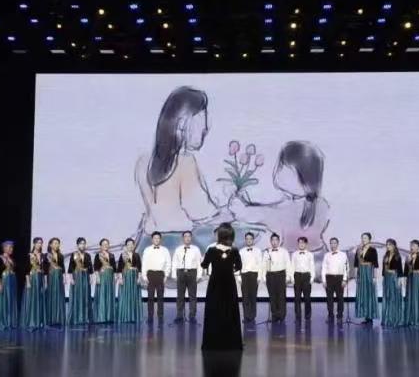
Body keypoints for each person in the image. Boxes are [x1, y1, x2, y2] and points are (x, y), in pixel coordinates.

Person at [135, 86, 233, 253]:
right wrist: (228, 212)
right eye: (202, 121)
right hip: (176, 245)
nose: (206, 128)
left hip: (147, 244)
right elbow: (200, 211)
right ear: (182, 124)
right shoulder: (185, 162)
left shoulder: (143, 162)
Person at [230, 141, 330, 258]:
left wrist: (239, 207)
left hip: (292, 260)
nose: (277, 171)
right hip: (320, 256)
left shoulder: (285, 210)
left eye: (281, 167)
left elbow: (255, 214)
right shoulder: (322, 205)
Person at [201, 223, 243, 350]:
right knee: (230, 310)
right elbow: (239, 266)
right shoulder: (234, 251)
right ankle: (231, 342)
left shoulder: (211, 250)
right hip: (229, 284)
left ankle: (213, 342)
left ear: (220, 235)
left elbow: (204, 265)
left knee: (214, 310)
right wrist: (229, 268)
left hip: (215, 284)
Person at [171, 230, 202, 324]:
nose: (187, 238)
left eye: (189, 236)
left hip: (192, 272)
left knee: (192, 296)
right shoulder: (178, 249)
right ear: (183, 238)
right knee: (180, 296)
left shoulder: (196, 249)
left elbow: (199, 263)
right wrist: (174, 274)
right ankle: (179, 315)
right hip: (180, 272)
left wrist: (199, 275)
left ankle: (192, 316)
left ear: (191, 238)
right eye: (185, 236)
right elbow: (174, 262)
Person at [141, 231, 171, 324]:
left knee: (160, 297)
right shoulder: (147, 250)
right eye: (155, 238)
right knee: (150, 297)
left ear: (160, 239)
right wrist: (144, 276)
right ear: (152, 239)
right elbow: (144, 263)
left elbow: (168, 263)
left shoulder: (165, 250)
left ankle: (160, 315)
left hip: (160, 274)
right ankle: (150, 316)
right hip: (150, 274)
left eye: (158, 238)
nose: (156, 240)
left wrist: (166, 275)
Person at [0, 240, 18, 330]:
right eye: (10, 247)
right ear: (4, 248)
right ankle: (1, 322)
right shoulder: (0, 258)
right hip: (4, 281)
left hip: (11, 281)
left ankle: (9, 322)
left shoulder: (11, 259)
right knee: (3, 300)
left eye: (12, 247)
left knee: (10, 301)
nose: (11, 249)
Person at [262, 233, 291, 323]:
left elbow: (288, 264)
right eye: (272, 240)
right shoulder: (267, 252)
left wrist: (288, 276)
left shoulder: (284, 251)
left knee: (281, 296)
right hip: (270, 275)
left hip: (281, 275)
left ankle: (281, 316)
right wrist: (264, 277)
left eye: (276, 240)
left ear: (279, 241)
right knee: (272, 296)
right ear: (270, 241)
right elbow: (264, 265)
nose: (274, 242)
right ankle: (274, 315)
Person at [20, 237, 46, 330]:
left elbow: (44, 269)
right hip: (32, 278)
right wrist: (28, 282)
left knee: (39, 298)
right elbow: (26, 270)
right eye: (38, 243)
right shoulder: (30, 255)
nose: (39, 244)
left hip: (40, 278)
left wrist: (45, 281)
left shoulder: (43, 256)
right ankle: (30, 321)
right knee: (31, 298)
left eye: (41, 243)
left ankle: (38, 320)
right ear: (34, 244)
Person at [321, 237, 349, 324]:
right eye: (331, 243)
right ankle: (330, 315)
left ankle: (340, 316)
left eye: (334, 243)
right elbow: (324, 268)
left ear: (337, 244)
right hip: (329, 278)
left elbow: (346, 268)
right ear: (330, 244)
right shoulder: (327, 255)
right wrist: (324, 280)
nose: (333, 245)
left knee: (340, 298)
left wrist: (344, 279)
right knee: (329, 298)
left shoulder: (343, 255)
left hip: (339, 278)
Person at [238, 232, 262, 324]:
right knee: (245, 297)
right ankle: (246, 316)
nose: (249, 240)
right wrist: (239, 277)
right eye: (247, 239)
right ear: (245, 240)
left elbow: (260, 264)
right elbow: (238, 265)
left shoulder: (258, 251)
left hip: (254, 274)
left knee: (253, 296)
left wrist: (259, 277)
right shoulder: (241, 251)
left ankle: (252, 316)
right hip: (244, 275)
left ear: (253, 240)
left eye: (250, 239)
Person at [116, 238, 143, 323]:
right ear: (126, 246)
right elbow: (119, 268)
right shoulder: (122, 255)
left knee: (134, 296)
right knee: (125, 295)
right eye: (128, 244)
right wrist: (120, 278)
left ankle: (134, 316)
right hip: (126, 277)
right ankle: (125, 316)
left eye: (132, 244)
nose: (130, 246)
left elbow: (139, 268)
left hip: (134, 277)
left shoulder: (137, 255)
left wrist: (139, 278)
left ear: (134, 246)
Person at [67, 237, 93, 326]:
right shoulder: (74, 255)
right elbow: (70, 268)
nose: (83, 245)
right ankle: (76, 317)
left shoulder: (88, 255)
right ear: (77, 245)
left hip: (85, 276)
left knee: (85, 296)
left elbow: (90, 269)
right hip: (77, 276)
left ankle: (85, 317)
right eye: (81, 243)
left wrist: (91, 278)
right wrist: (71, 279)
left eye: (84, 243)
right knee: (77, 296)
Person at [354, 232, 379, 324]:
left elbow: (375, 265)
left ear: (369, 239)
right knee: (362, 294)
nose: (363, 239)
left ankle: (370, 316)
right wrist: (356, 275)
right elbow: (356, 264)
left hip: (369, 272)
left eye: (365, 238)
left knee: (369, 293)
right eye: (362, 238)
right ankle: (365, 315)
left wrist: (374, 277)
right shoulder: (359, 250)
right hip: (361, 273)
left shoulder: (373, 250)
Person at [381, 238, 404, 327]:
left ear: (394, 246)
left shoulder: (397, 256)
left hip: (394, 278)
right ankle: (387, 319)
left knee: (394, 298)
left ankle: (395, 319)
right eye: (387, 245)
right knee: (387, 297)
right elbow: (383, 269)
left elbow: (400, 270)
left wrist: (399, 281)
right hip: (387, 278)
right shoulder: (385, 256)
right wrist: (384, 278)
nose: (388, 246)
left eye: (389, 245)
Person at [93, 238, 117, 324]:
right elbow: (96, 268)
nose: (106, 246)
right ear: (100, 246)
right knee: (102, 295)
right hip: (102, 276)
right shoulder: (98, 255)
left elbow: (114, 268)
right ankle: (101, 316)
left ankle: (109, 316)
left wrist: (115, 277)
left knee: (109, 295)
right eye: (104, 244)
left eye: (107, 244)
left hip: (110, 276)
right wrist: (97, 277)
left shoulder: (111, 255)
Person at [291, 237, 315, 322]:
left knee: (307, 298)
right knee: (297, 298)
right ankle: (298, 316)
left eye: (303, 243)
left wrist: (311, 278)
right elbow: (292, 266)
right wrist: (292, 278)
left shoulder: (310, 254)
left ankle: (307, 316)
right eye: (299, 242)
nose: (301, 244)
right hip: (297, 276)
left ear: (306, 244)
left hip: (306, 276)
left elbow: (312, 267)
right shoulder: (294, 254)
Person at [44, 237, 65, 327]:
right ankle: (50, 318)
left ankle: (58, 318)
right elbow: (45, 269)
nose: (57, 245)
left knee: (59, 296)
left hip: (59, 277)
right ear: (50, 244)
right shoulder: (47, 255)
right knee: (51, 296)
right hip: (51, 277)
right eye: (55, 243)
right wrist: (45, 281)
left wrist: (64, 278)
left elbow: (63, 268)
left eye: (58, 243)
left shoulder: (60, 255)